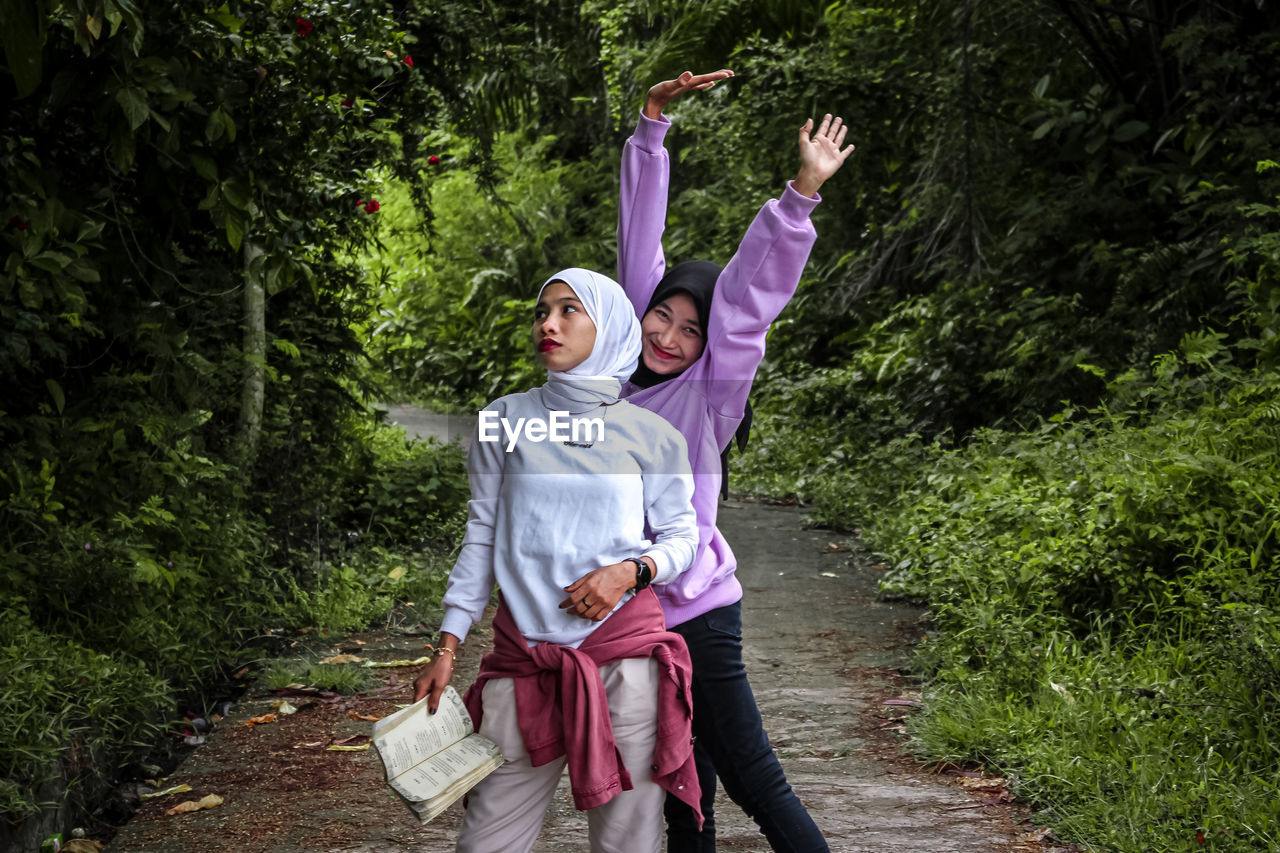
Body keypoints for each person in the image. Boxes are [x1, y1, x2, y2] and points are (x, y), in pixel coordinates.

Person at [558, 72, 854, 852]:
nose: (670, 337)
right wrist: (650, 127)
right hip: (634, 629)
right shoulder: (611, 380)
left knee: (756, 782)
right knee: (683, 798)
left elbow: (749, 301)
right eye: (663, 315)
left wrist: (799, 198)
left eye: (691, 328)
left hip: (695, 615)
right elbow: (638, 245)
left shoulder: (709, 394)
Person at [412, 267, 703, 853]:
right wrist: (448, 644)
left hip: (624, 659)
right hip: (525, 661)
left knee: (628, 842)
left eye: (569, 310)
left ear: (610, 326)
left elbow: (682, 538)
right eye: (543, 311)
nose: (549, 323)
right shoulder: (504, 419)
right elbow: (483, 533)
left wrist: (629, 572)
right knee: (486, 841)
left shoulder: (651, 434)